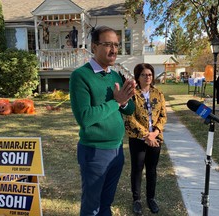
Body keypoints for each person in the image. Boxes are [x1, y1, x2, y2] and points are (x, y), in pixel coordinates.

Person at [69, 26, 136, 216]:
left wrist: (123, 102)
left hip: (116, 151)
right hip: (95, 152)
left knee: (107, 203)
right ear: (94, 46)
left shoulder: (114, 75)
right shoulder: (80, 76)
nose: (113, 50)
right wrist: (117, 102)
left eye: (116, 45)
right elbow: (85, 118)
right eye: (107, 44)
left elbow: (130, 109)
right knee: (92, 207)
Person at [124, 63, 167, 215]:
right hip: (137, 138)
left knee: (152, 170)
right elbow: (129, 117)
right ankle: (137, 200)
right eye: (144, 74)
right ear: (138, 77)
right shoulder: (132, 94)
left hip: (155, 138)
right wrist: (146, 135)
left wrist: (154, 133)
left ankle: (151, 198)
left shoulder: (158, 93)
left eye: (150, 74)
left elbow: (163, 116)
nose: (147, 77)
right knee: (137, 169)